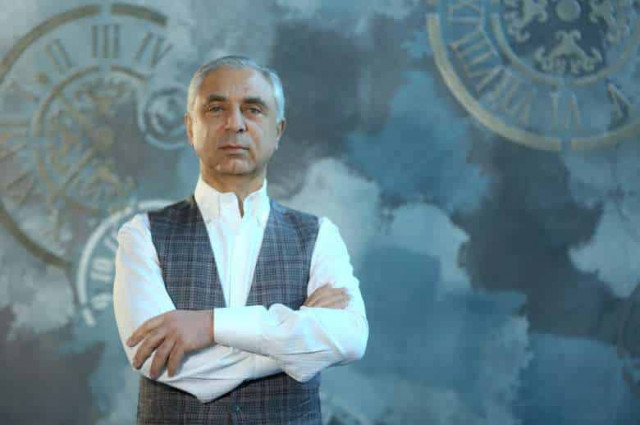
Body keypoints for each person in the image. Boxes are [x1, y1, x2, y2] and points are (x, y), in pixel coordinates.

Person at [113, 55, 369, 424]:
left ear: (278, 131)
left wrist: (210, 326)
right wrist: (301, 339)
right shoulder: (142, 234)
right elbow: (157, 359)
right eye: (216, 108)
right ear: (190, 128)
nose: (235, 124)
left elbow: (351, 338)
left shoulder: (319, 235)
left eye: (253, 109)